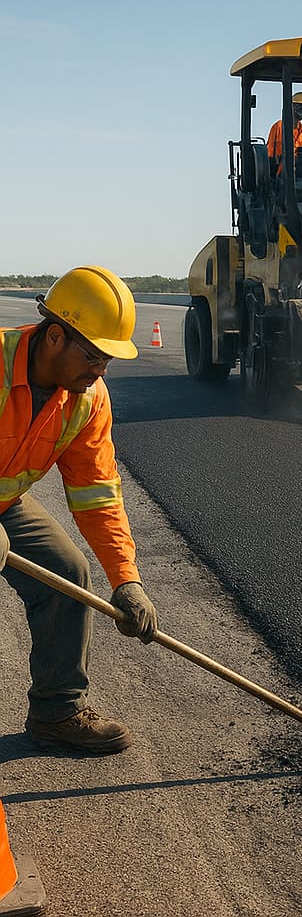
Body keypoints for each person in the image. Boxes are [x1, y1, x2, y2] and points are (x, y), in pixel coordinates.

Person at [0, 267, 158, 754]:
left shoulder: (87, 400)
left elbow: (97, 493)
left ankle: (56, 712)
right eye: (93, 355)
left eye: (107, 358)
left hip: (4, 506)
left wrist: (125, 579)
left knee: (66, 572)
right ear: (54, 336)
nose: (101, 369)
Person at [267, 91, 302, 162]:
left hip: (300, 171)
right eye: (299, 106)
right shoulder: (278, 127)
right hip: (280, 170)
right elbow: (270, 154)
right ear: (291, 107)